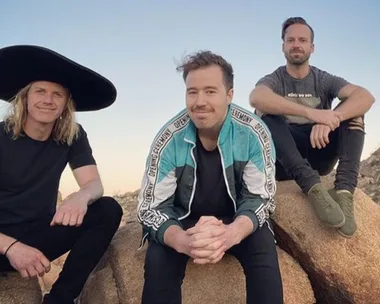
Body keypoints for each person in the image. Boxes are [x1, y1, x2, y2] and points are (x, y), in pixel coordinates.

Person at [137, 50, 283, 304]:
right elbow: (151, 207)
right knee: (158, 255)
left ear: (229, 95)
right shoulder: (168, 139)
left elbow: (260, 199)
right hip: (183, 221)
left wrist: (232, 233)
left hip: (237, 218)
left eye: (210, 91)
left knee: (262, 246)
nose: (199, 101)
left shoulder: (252, 133)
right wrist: (182, 241)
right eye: (192, 92)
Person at [0, 45, 123, 304]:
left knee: (108, 209)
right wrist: (11, 247)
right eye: (41, 91)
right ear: (24, 97)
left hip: (37, 235)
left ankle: (60, 299)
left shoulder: (72, 135)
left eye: (57, 94)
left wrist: (80, 196)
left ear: (66, 102)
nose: (48, 100)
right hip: (1, 241)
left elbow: (93, 184)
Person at [249, 17, 375, 237]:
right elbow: (256, 97)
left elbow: (365, 96)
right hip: (286, 161)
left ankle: (344, 191)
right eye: (291, 40)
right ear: (283, 47)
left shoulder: (323, 79)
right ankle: (312, 187)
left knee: (355, 112)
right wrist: (313, 113)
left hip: (321, 151)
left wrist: (331, 118)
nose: (296, 44)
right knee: (264, 113)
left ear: (311, 47)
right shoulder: (275, 78)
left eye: (302, 40)